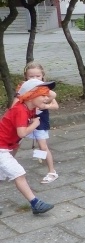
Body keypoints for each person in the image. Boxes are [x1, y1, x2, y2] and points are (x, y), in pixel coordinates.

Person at [0, 79, 57, 214]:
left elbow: (52, 96)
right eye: (42, 94)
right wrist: (35, 125)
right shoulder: (20, 110)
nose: (46, 98)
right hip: (1, 149)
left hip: (5, 148)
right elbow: (22, 132)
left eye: (46, 94)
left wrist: (42, 90)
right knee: (19, 174)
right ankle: (35, 204)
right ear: (31, 96)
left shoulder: (29, 107)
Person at [12, 62, 60, 184]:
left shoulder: (44, 88)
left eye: (37, 76)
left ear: (42, 75)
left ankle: (52, 171)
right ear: (26, 76)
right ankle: (6, 166)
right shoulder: (23, 88)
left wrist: (43, 106)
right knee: (15, 143)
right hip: (24, 119)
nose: (34, 79)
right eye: (31, 76)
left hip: (40, 120)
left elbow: (55, 105)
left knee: (42, 146)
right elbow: (15, 103)